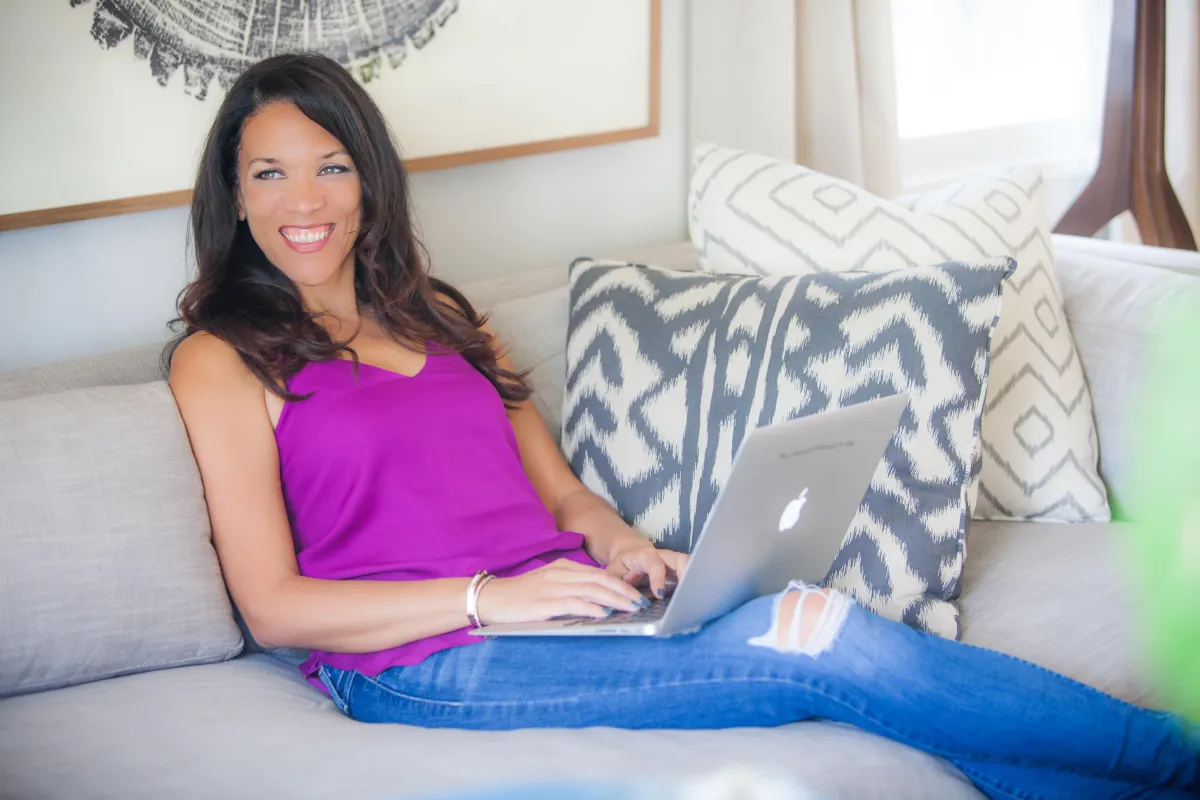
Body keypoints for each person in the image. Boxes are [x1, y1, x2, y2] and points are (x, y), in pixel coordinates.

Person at [166, 52, 1199, 800]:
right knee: (818, 636)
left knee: (825, 638)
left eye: (330, 165)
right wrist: (495, 597)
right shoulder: (222, 357)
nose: (304, 197)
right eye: (270, 172)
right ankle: (1176, 752)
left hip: (580, 604)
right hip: (428, 656)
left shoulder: (443, 314)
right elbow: (275, 607)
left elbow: (559, 489)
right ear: (236, 193)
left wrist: (618, 542)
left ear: (368, 182)